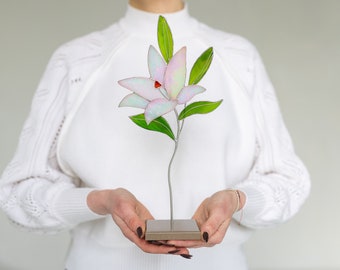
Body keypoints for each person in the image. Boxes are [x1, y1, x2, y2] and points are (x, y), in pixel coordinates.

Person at [0, 0, 310, 269]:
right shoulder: (76, 60)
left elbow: (287, 181)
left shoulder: (238, 58)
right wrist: (99, 201)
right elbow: (18, 192)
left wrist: (236, 200)